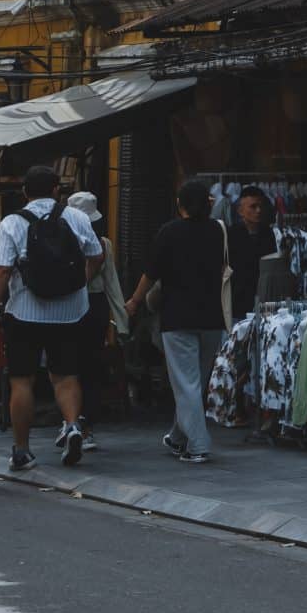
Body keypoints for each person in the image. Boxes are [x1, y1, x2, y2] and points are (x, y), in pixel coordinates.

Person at [0, 165, 106, 472]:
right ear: (56, 190)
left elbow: (2, 271)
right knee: (66, 376)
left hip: (24, 311)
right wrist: (80, 282)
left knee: (21, 381)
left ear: (25, 192)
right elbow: (96, 253)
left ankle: (23, 450)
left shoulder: (12, 222)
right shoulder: (76, 218)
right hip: (70, 312)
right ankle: (73, 426)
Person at [124, 180, 231, 465]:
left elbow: (150, 273)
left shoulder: (168, 232)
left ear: (179, 203)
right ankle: (177, 436)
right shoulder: (218, 231)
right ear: (208, 203)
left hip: (178, 317)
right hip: (212, 317)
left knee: (186, 384)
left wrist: (134, 301)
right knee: (196, 382)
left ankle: (197, 445)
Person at [66, 189, 125, 453]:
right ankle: (84, 425)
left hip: (67, 306)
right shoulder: (102, 243)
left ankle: (71, 421)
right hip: (95, 306)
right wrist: (122, 321)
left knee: (67, 366)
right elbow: (112, 283)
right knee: (89, 366)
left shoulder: (62, 240)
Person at [228, 186, 276, 320]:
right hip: (238, 304)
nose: (258, 211)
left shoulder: (268, 234)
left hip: (264, 302)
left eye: (260, 206)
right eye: (253, 207)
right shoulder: (231, 234)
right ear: (241, 210)